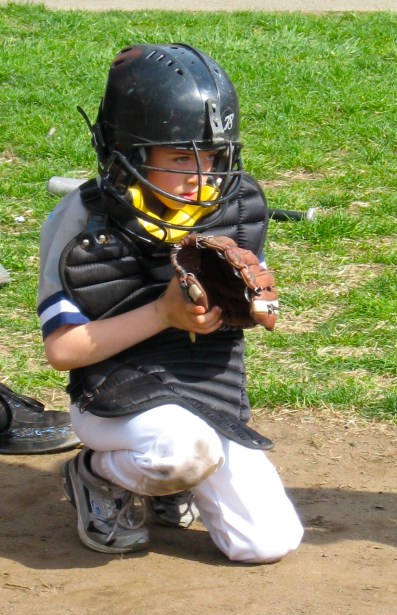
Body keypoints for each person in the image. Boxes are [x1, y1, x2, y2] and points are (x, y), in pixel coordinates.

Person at [37, 43, 303, 563]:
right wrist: (163, 313)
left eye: (215, 158)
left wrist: (252, 306)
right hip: (113, 400)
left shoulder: (237, 209)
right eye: (181, 157)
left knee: (266, 543)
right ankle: (98, 475)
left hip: (207, 397)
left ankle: (168, 481)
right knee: (180, 450)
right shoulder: (82, 222)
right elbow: (63, 351)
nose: (203, 177)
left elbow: (250, 298)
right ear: (128, 151)